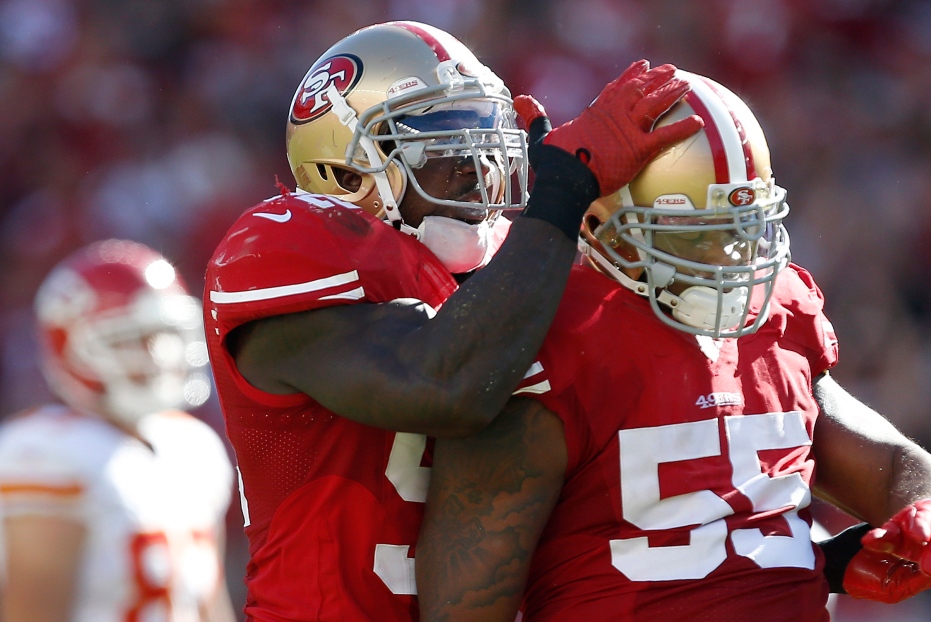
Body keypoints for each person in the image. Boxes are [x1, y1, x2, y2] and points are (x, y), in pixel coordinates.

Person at [415, 72, 931, 621]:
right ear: (598, 221)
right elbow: (462, 607)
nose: (725, 260)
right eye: (695, 235)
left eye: (741, 228)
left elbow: (892, 468)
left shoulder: (778, 311)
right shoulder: (549, 335)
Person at [202, 20, 702, 620]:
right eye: (441, 138)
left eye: (485, 134)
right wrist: (563, 198)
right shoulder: (286, 247)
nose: (476, 163)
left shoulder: (505, 270)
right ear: (346, 172)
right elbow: (444, 385)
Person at [0, 239, 236, 622]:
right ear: (70, 348)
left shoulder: (193, 446)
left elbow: (208, 605)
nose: (156, 355)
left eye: (161, 335)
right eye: (128, 339)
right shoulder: (45, 454)